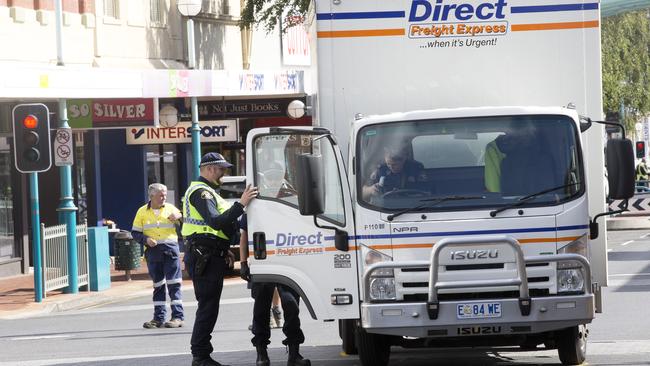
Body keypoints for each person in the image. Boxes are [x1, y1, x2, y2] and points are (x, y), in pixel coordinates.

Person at [183, 152, 258, 366]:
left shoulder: (209, 192)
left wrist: (224, 249)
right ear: (209, 169)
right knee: (207, 306)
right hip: (204, 255)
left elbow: (215, 228)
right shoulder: (201, 192)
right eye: (221, 169)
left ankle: (202, 354)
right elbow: (215, 222)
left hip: (209, 253)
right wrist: (241, 203)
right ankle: (201, 356)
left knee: (209, 306)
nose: (224, 173)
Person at [239, 214, 311, 366]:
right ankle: (261, 353)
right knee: (260, 310)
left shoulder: (290, 201)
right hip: (262, 261)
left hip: (287, 261)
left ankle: (294, 354)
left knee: (291, 307)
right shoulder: (256, 204)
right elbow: (244, 234)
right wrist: (243, 262)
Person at [131, 183, 184, 329]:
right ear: (152, 196)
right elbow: (135, 233)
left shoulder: (171, 208)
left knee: (174, 284)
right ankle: (158, 318)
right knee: (158, 285)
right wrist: (146, 240)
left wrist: (180, 216)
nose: (164, 198)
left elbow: (185, 223)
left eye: (165, 195)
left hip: (170, 250)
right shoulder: (142, 211)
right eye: (161, 195)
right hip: (153, 253)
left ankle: (177, 317)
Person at [362, 144, 427, 201]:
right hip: (384, 208)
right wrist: (370, 190)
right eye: (388, 164)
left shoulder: (415, 168)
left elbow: (426, 191)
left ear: (403, 160)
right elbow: (362, 193)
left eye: (394, 164)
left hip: (413, 205)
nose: (391, 167)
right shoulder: (381, 169)